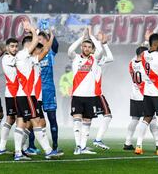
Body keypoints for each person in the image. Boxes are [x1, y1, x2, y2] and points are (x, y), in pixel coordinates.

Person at [13, 19, 55, 161]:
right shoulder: (21, 55)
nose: (36, 46)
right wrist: (31, 28)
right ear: (28, 46)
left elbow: (45, 50)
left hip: (24, 96)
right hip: (27, 95)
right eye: (33, 45)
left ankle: (18, 152)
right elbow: (36, 40)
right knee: (36, 121)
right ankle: (48, 150)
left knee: (22, 123)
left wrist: (51, 37)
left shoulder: (30, 59)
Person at [68, 27, 103, 155]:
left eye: (89, 47)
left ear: (91, 49)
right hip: (77, 95)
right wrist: (81, 38)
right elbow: (70, 49)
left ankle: (83, 147)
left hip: (90, 96)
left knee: (87, 122)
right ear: (81, 47)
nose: (86, 49)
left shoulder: (95, 59)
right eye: (84, 46)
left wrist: (92, 36)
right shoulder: (75, 58)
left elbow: (100, 50)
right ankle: (78, 146)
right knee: (77, 120)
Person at [124, 46, 158, 151]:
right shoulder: (144, 65)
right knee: (153, 119)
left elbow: (137, 55)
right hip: (145, 95)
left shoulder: (131, 63)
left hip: (134, 95)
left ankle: (127, 142)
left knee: (135, 119)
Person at [36, 30, 63, 156]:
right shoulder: (32, 55)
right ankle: (31, 146)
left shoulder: (50, 53)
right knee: (34, 119)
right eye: (38, 39)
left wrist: (52, 34)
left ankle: (55, 146)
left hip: (48, 90)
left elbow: (56, 46)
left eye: (43, 39)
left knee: (52, 118)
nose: (40, 41)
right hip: (35, 91)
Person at [0, 38, 19, 155]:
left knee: (17, 119)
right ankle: (2, 147)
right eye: (12, 46)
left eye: (16, 46)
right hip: (11, 93)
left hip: (19, 93)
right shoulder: (7, 58)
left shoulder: (17, 57)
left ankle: (18, 148)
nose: (15, 48)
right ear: (7, 47)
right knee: (12, 119)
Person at [92, 32, 113, 150]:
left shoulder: (96, 59)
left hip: (90, 92)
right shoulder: (94, 59)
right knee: (107, 115)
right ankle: (98, 140)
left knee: (86, 119)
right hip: (96, 92)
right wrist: (99, 41)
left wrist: (103, 43)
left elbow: (110, 58)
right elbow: (104, 53)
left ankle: (81, 145)